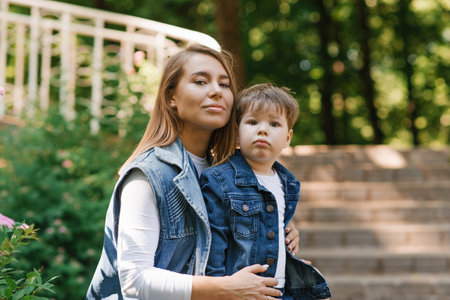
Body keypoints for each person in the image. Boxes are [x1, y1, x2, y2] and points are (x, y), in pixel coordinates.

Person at [86, 44, 301, 300]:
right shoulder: (148, 175)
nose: (216, 92)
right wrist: (226, 288)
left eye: (224, 84)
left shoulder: (228, 176)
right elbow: (134, 281)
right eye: (200, 81)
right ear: (171, 97)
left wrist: (277, 227)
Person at [200, 83, 332, 299]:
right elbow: (213, 244)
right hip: (241, 292)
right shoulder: (219, 180)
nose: (263, 129)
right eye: (252, 122)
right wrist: (220, 290)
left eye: (274, 123)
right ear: (235, 133)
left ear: (287, 138)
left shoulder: (286, 183)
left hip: (281, 290)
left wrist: (288, 237)